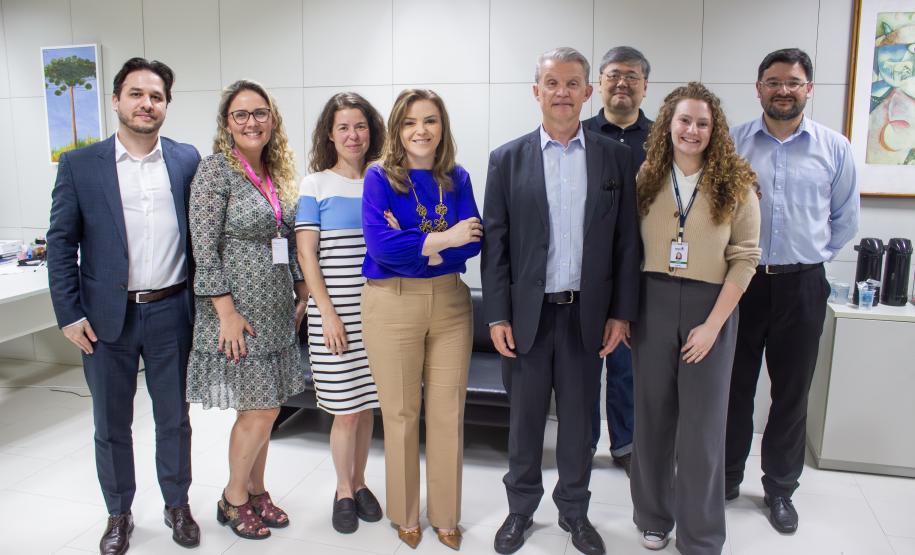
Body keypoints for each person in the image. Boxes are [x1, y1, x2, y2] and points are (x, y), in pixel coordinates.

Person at [482, 47, 640, 555]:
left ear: (588, 92)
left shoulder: (615, 158)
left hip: (585, 317)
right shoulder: (507, 159)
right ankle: (520, 510)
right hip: (527, 317)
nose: (563, 93)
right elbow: (496, 245)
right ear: (537, 92)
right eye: (552, 83)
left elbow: (627, 243)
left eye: (573, 84)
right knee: (525, 424)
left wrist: (621, 313)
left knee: (577, 425)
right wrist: (497, 316)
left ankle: (574, 512)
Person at [47, 57, 201, 555]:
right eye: (136, 94)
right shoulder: (80, 165)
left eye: (156, 96)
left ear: (166, 106)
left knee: (173, 419)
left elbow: (200, 237)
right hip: (104, 318)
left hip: (171, 311)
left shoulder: (186, 160)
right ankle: (119, 513)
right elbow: (60, 243)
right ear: (116, 100)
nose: (146, 104)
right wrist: (69, 314)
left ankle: (177, 504)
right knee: (111, 425)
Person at [726, 48, 859, 534]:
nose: (783, 90)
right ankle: (725, 478)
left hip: (803, 285)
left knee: (791, 393)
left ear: (809, 89)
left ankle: (780, 489)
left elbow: (844, 219)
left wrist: (811, 257)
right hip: (741, 284)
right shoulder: (733, 143)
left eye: (794, 82)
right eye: (774, 81)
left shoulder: (834, 148)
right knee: (733, 388)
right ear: (759, 88)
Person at [629, 82, 761, 555]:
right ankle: (652, 517)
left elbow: (745, 258)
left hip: (712, 307)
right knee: (652, 420)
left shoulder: (737, 182)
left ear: (714, 130)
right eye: (684, 120)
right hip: (653, 303)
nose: (692, 130)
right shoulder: (646, 176)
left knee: (702, 430)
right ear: (668, 124)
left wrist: (713, 326)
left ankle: (701, 535)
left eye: (703, 123)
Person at [186, 79, 307, 540]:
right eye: (241, 114)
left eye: (260, 113)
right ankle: (233, 498)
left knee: (268, 410)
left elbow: (287, 240)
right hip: (238, 313)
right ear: (227, 123)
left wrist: (301, 290)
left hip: (276, 309)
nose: (251, 122)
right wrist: (226, 312)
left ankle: (257, 491)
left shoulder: (276, 173)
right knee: (257, 410)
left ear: (272, 119)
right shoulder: (215, 171)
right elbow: (204, 248)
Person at [361, 88, 482, 551]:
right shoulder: (379, 178)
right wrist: (444, 240)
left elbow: (474, 240)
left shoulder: (457, 177)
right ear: (397, 129)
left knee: (449, 413)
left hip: (451, 305)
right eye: (410, 122)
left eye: (430, 120)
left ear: (442, 126)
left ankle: (447, 516)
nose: (421, 130)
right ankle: (405, 514)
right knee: (401, 413)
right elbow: (380, 247)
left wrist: (416, 245)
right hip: (392, 305)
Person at [295, 92, 386, 534]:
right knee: (345, 410)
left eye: (360, 126)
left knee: (367, 407)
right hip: (334, 314)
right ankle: (343, 490)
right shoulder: (314, 185)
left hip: (380, 312)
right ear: (329, 135)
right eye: (343, 127)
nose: (353, 135)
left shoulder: (384, 180)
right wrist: (327, 314)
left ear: (372, 132)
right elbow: (307, 255)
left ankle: (362, 481)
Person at [582, 45, 654, 474]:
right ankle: (583, 442)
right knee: (584, 367)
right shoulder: (580, 134)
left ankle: (625, 444)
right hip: (586, 271)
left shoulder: (663, 138)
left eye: (632, 76)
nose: (622, 84)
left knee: (627, 365)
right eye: (613, 75)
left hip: (640, 270)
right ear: (599, 84)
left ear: (645, 86)